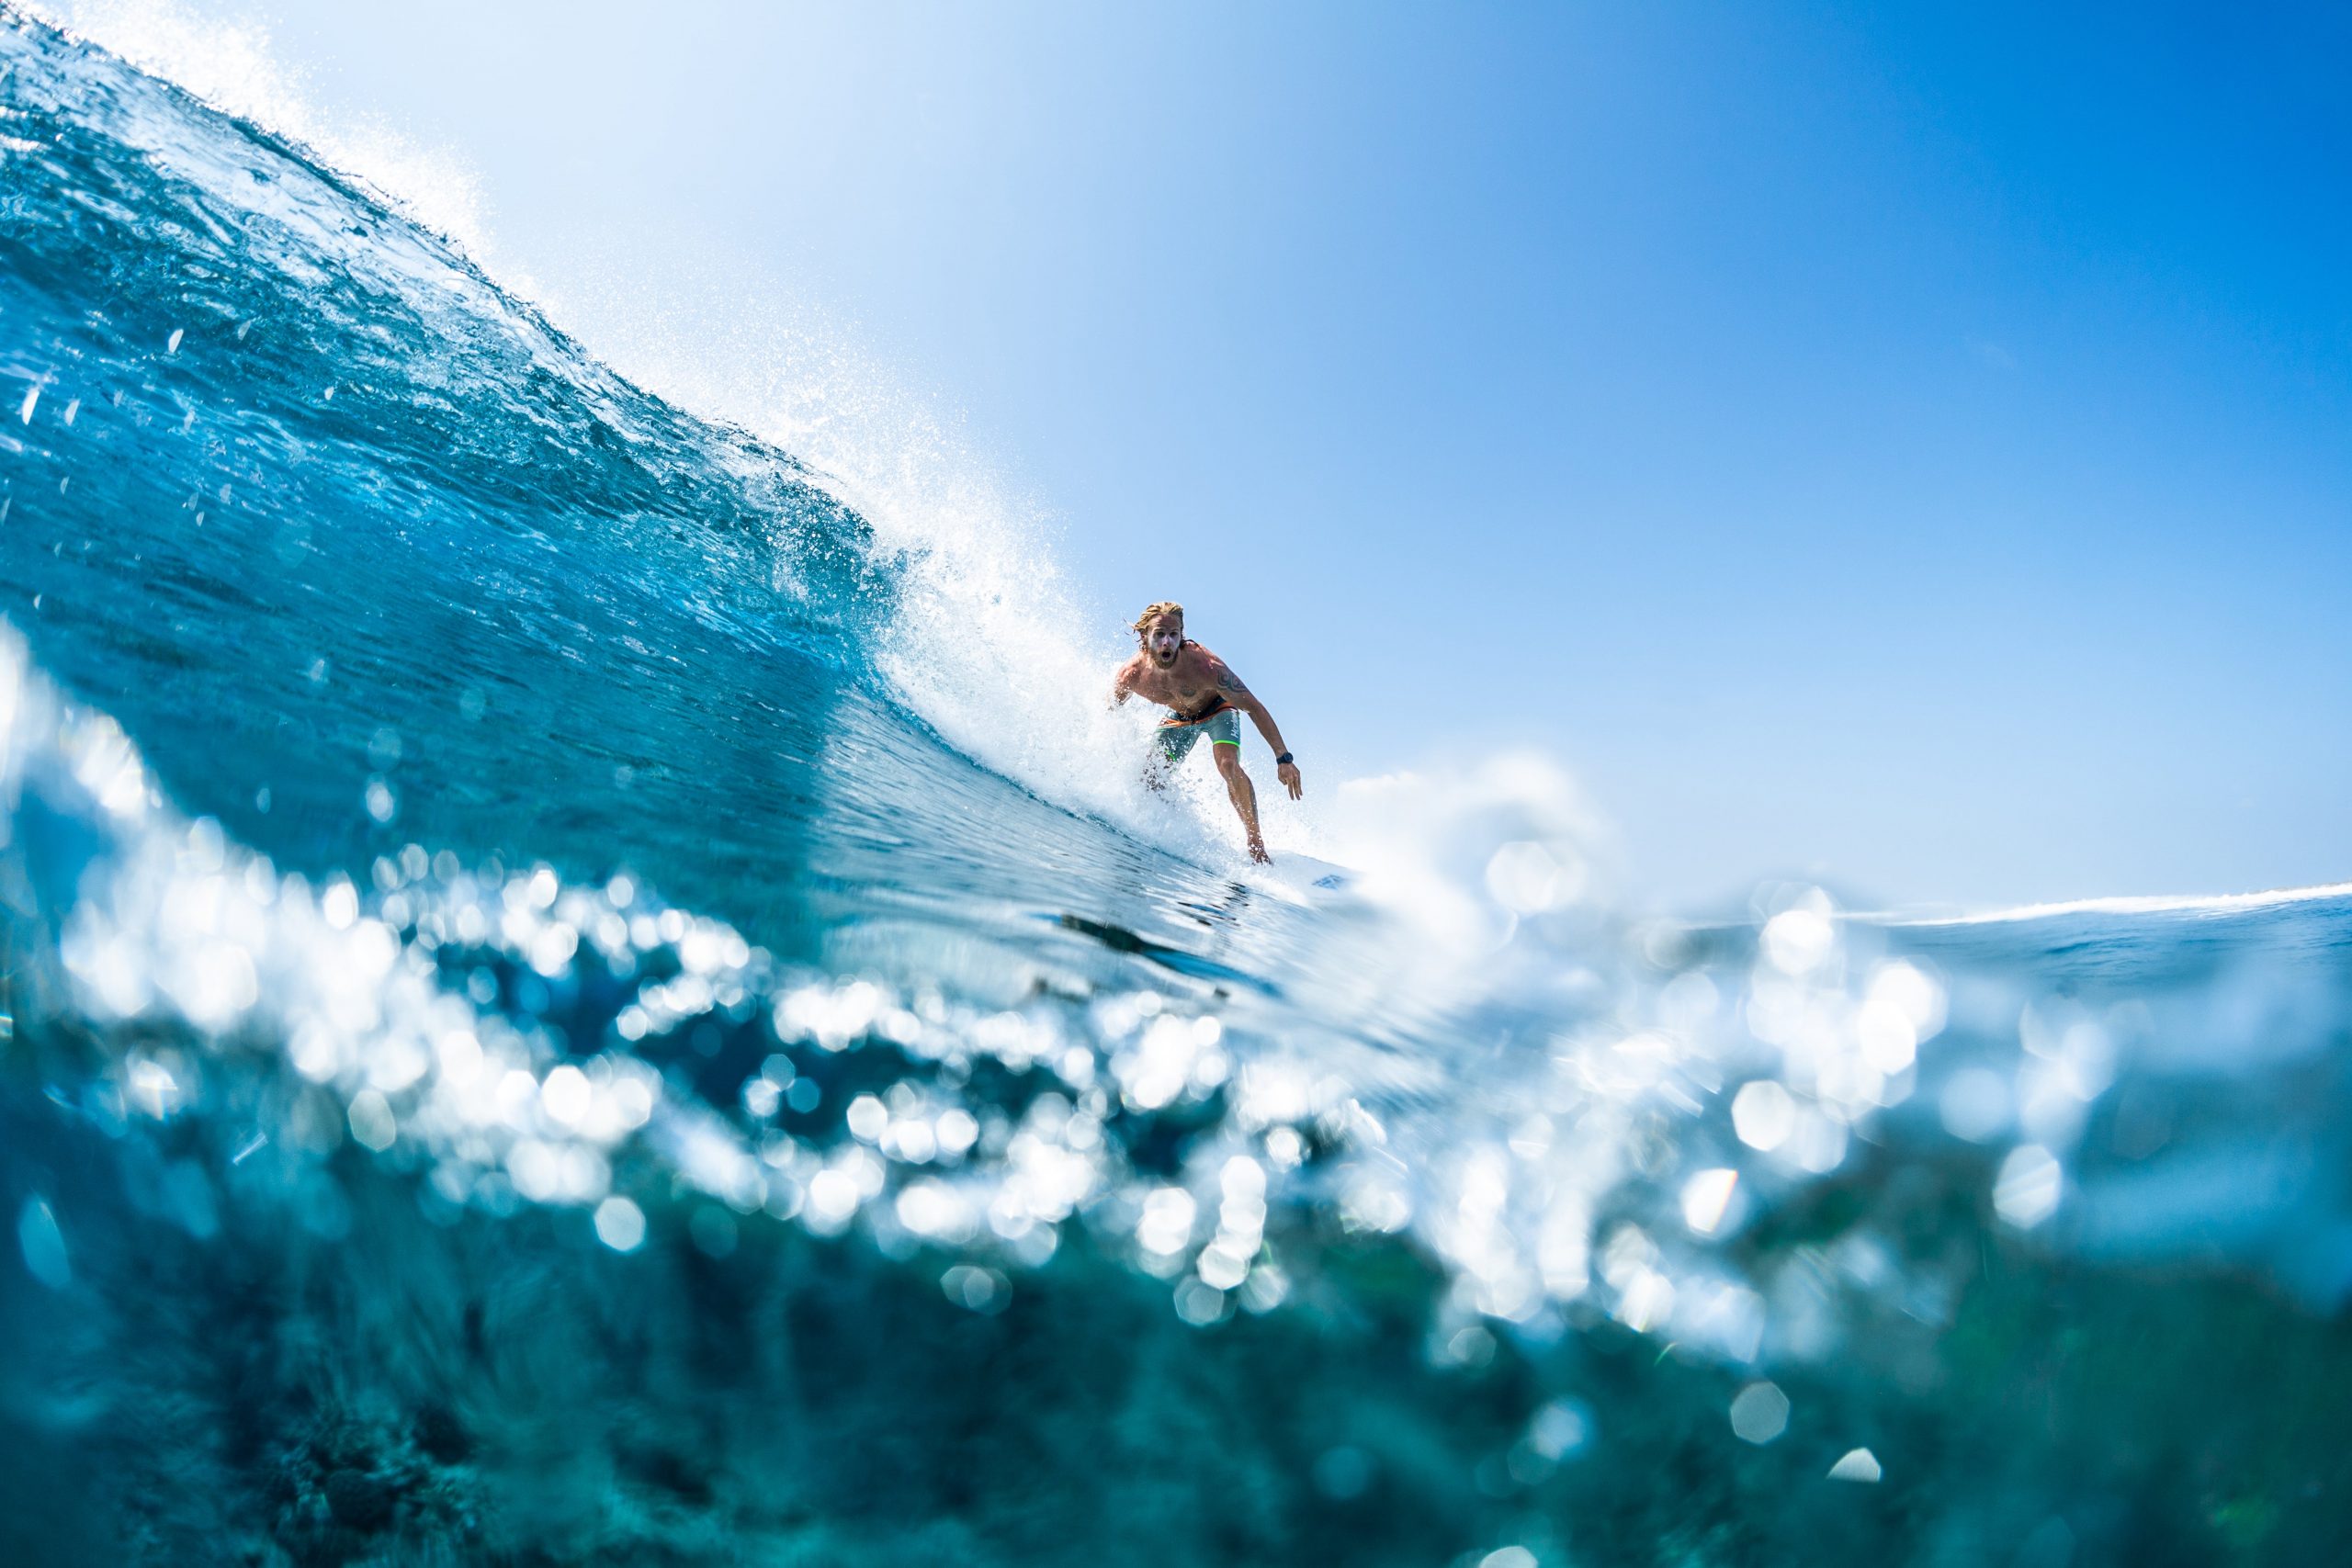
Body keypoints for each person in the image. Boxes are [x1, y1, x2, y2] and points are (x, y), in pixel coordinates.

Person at [1111, 600, 1302, 863]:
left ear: (1181, 635)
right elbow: (1111, 712)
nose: (1167, 642)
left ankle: (1256, 844)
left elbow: (1254, 707)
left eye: (1173, 635)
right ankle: (1168, 826)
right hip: (1179, 719)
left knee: (1228, 765)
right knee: (1150, 779)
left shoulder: (1206, 666)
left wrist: (1283, 758)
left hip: (1218, 710)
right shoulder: (1130, 675)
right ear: (1145, 637)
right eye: (1159, 635)